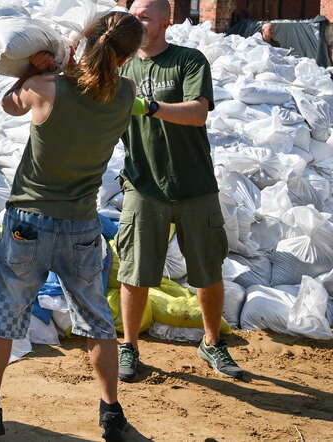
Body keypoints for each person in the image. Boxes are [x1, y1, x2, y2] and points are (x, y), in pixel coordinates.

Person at [0, 11, 144, 442]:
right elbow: (99, 84)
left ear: (81, 42)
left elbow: (8, 104)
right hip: (82, 226)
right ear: (128, 57)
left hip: (28, 224)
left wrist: (38, 70)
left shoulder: (43, 88)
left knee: (3, 315)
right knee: (96, 322)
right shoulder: (126, 94)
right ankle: (112, 413)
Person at [116, 0, 245, 383]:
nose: (136, 22)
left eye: (144, 16)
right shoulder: (121, 66)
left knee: (207, 270)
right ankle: (129, 346)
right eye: (132, 16)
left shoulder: (188, 59)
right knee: (134, 271)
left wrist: (149, 106)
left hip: (194, 185)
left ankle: (211, 341)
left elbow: (197, 113)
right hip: (143, 185)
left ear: (165, 21)